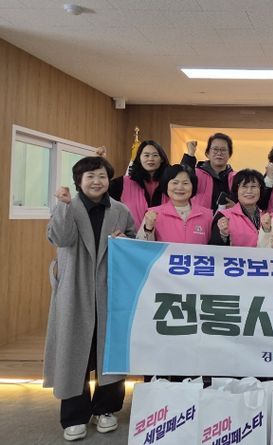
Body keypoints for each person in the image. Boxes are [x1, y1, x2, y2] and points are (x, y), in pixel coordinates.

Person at [45, 156, 136, 441]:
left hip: (111, 288)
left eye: (102, 176)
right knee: (75, 352)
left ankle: (106, 409)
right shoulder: (68, 207)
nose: (97, 181)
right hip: (75, 289)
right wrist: (62, 205)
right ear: (79, 181)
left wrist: (126, 239)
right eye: (90, 177)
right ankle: (74, 416)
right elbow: (61, 239)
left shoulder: (120, 209)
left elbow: (133, 241)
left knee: (110, 350)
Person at [137, 164, 212, 244]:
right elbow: (141, 247)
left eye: (185, 183)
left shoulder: (207, 215)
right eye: (175, 183)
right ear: (166, 185)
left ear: (193, 186)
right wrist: (148, 228)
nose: (180, 187)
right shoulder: (153, 214)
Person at [109, 140, 169, 229]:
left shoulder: (170, 183)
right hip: (132, 236)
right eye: (146, 155)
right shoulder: (122, 182)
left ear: (162, 159)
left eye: (155, 155)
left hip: (165, 236)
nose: (150, 159)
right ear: (139, 158)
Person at [210, 169, 265, 247]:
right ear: (236, 190)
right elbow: (213, 249)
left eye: (253, 186)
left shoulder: (267, 217)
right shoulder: (224, 216)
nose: (249, 191)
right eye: (244, 186)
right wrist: (223, 235)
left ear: (260, 190)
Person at [182, 132, 237, 210]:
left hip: (227, 218)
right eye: (215, 149)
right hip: (199, 217)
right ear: (207, 153)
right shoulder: (196, 173)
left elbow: (246, 203)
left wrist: (235, 207)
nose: (219, 153)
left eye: (223, 150)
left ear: (230, 154)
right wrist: (190, 154)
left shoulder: (236, 178)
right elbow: (181, 181)